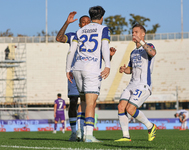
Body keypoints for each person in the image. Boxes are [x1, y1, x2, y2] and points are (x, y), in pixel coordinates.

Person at [56, 11, 116, 141]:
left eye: (88, 22)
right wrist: (67, 23)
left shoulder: (85, 34)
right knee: (76, 101)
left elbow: (97, 56)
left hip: (77, 70)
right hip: (78, 72)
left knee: (86, 102)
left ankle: (80, 130)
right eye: (84, 22)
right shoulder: (75, 34)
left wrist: (109, 57)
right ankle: (79, 132)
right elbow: (59, 38)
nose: (87, 24)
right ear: (79, 24)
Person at [114, 24, 157, 142]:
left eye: (136, 32)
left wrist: (141, 42)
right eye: (133, 32)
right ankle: (126, 136)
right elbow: (131, 69)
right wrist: (124, 70)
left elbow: (152, 53)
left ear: (143, 34)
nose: (134, 34)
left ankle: (150, 126)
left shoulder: (149, 46)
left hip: (143, 84)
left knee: (130, 109)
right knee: (121, 106)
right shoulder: (133, 52)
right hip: (132, 84)